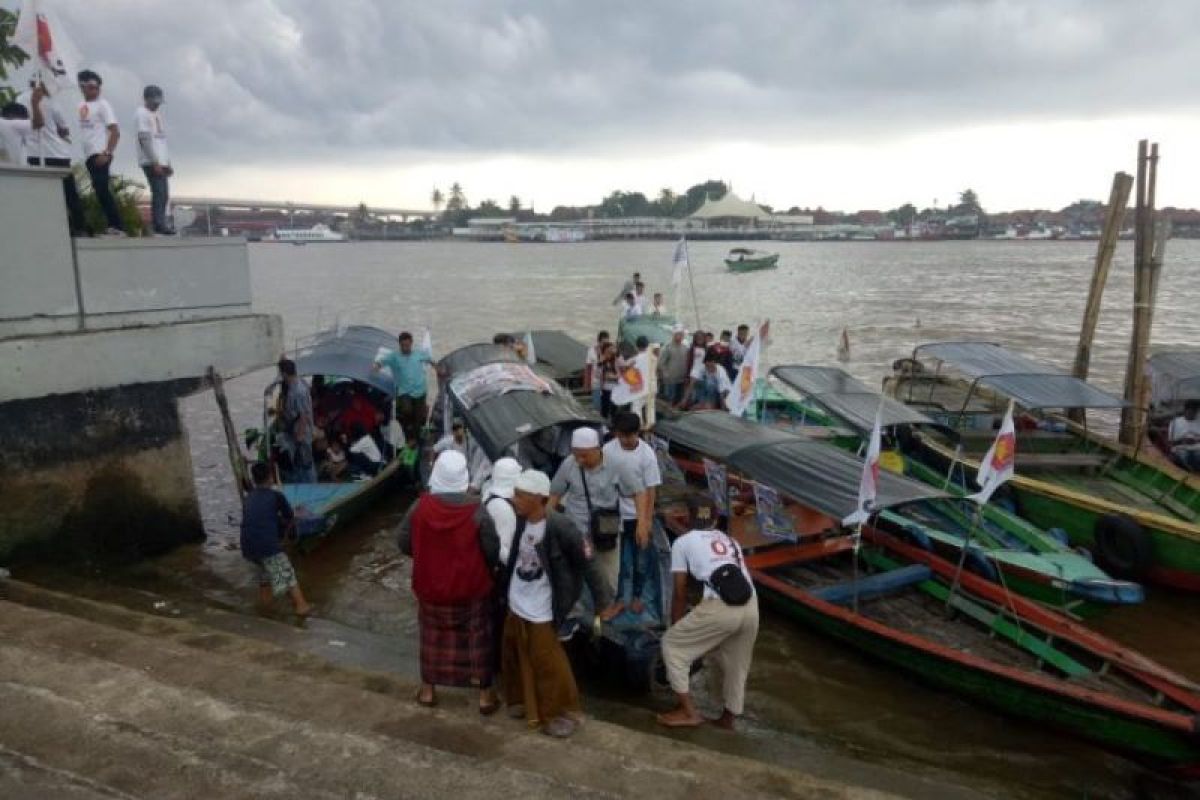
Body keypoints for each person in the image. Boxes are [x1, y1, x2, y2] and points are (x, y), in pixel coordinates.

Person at [502, 469, 615, 737]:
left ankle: (560, 711)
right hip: (518, 597)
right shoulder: (520, 521)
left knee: (547, 660)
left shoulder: (561, 526)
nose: (514, 499)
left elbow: (589, 564)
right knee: (511, 651)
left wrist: (602, 603)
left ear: (539, 499)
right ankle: (521, 700)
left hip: (543, 604)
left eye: (521, 495)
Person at [397, 450, 501, 713]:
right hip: (471, 587)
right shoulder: (477, 509)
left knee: (431, 638)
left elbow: (403, 542)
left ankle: (428, 691)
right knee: (477, 639)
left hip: (431, 587)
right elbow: (492, 548)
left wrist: (425, 555)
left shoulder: (420, 506)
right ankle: (485, 696)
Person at [658, 496, 758, 730]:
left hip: (720, 606)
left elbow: (680, 592)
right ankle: (728, 719)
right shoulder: (731, 541)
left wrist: (676, 625)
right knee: (737, 664)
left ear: (689, 517)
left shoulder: (682, 542)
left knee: (673, 645)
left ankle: (688, 711)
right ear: (715, 518)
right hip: (751, 605)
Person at [549, 427, 649, 611]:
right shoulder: (569, 464)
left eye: (585, 455)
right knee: (572, 574)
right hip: (576, 531)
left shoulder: (617, 465)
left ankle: (604, 610)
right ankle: (575, 612)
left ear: (597, 449)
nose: (580, 460)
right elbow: (554, 495)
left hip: (606, 530)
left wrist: (642, 523)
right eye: (576, 455)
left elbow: (639, 492)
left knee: (608, 579)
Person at [602, 412, 662, 615]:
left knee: (640, 559)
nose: (627, 441)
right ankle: (618, 598)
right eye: (623, 436)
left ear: (638, 433)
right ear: (616, 433)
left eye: (630, 436)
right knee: (616, 559)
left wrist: (645, 521)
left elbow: (651, 490)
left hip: (636, 513)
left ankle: (636, 596)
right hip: (612, 512)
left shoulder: (647, 455)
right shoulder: (608, 450)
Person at [240, 461, 312, 616]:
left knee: (264, 574)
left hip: (248, 547)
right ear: (270, 478)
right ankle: (302, 607)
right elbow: (289, 517)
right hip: (267, 546)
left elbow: (257, 520)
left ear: (254, 479)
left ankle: (267, 608)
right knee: (288, 575)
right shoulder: (276, 496)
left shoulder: (249, 497)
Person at [20, 82, 86, 236]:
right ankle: (80, 228)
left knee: (42, 196)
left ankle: (49, 229)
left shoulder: (19, 99)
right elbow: (64, 129)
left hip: (33, 154)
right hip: (57, 155)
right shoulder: (51, 101)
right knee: (70, 195)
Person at [76, 69, 125, 236]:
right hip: (89, 154)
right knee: (99, 189)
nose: (95, 90)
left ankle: (117, 226)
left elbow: (115, 131)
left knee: (103, 189)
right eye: (90, 86)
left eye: (97, 87)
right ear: (82, 86)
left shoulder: (103, 105)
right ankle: (113, 225)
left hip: (100, 153)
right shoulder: (80, 105)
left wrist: (107, 153)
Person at [374, 331, 433, 444]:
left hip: (420, 390)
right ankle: (408, 430)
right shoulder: (394, 356)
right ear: (399, 345)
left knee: (419, 417)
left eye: (407, 345)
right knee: (406, 410)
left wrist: (438, 368)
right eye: (403, 345)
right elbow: (381, 361)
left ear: (411, 343)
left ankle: (415, 438)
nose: (405, 348)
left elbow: (429, 359)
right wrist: (376, 366)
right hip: (404, 391)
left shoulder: (418, 353)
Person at [136, 85, 174, 235]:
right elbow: (144, 140)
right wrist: (155, 162)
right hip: (151, 161)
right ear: (147, 99)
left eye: (158, 101)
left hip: (162, 160)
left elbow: (161, 140)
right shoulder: (141, 114)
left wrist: (167, 162)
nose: (157, 104)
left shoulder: (157, 115)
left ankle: (162, 222)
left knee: (164, 194)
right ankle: (158, 224)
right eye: (154, 101)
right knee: (158, 192)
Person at [278, 358, 317, 483]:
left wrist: (300, 435)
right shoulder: (294, 385)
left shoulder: (299, 390)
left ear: (284, 374)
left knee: (306, 462)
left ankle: (312, 485)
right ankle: (301, 483)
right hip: (294, 431)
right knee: (298, 460)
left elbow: (303, 415)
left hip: (302, 432)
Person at [658, 325, 689, 406]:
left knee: (679, 399)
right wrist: (666, 375)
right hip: (670, 380)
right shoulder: (667, 348)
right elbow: (661, 363)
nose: (680, 336)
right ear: (674, 335)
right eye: (678, 334)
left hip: (682, 379)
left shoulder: (685, 348)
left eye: (682, 334)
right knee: (669, 399)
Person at [1168, 400, 1200, 471]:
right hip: (1181, 449)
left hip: (1197, 449)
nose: (1194, 413)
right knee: (1184, 456)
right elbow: (1170, 443)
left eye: (1196, 410)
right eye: (1191, 410)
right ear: (1185, 410)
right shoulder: (1175, 422)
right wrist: (1183, 441)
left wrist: (1196, 440)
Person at [584, 331, 610, 414]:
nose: (605, 345)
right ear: (599, 341)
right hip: (596, 380)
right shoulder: (591, 351)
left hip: (608, 380)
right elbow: (588, 367)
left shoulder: (610, 350)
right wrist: (587, 383)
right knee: (596, 403)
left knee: (606, 403)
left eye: (607, 342)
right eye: (603, 343)